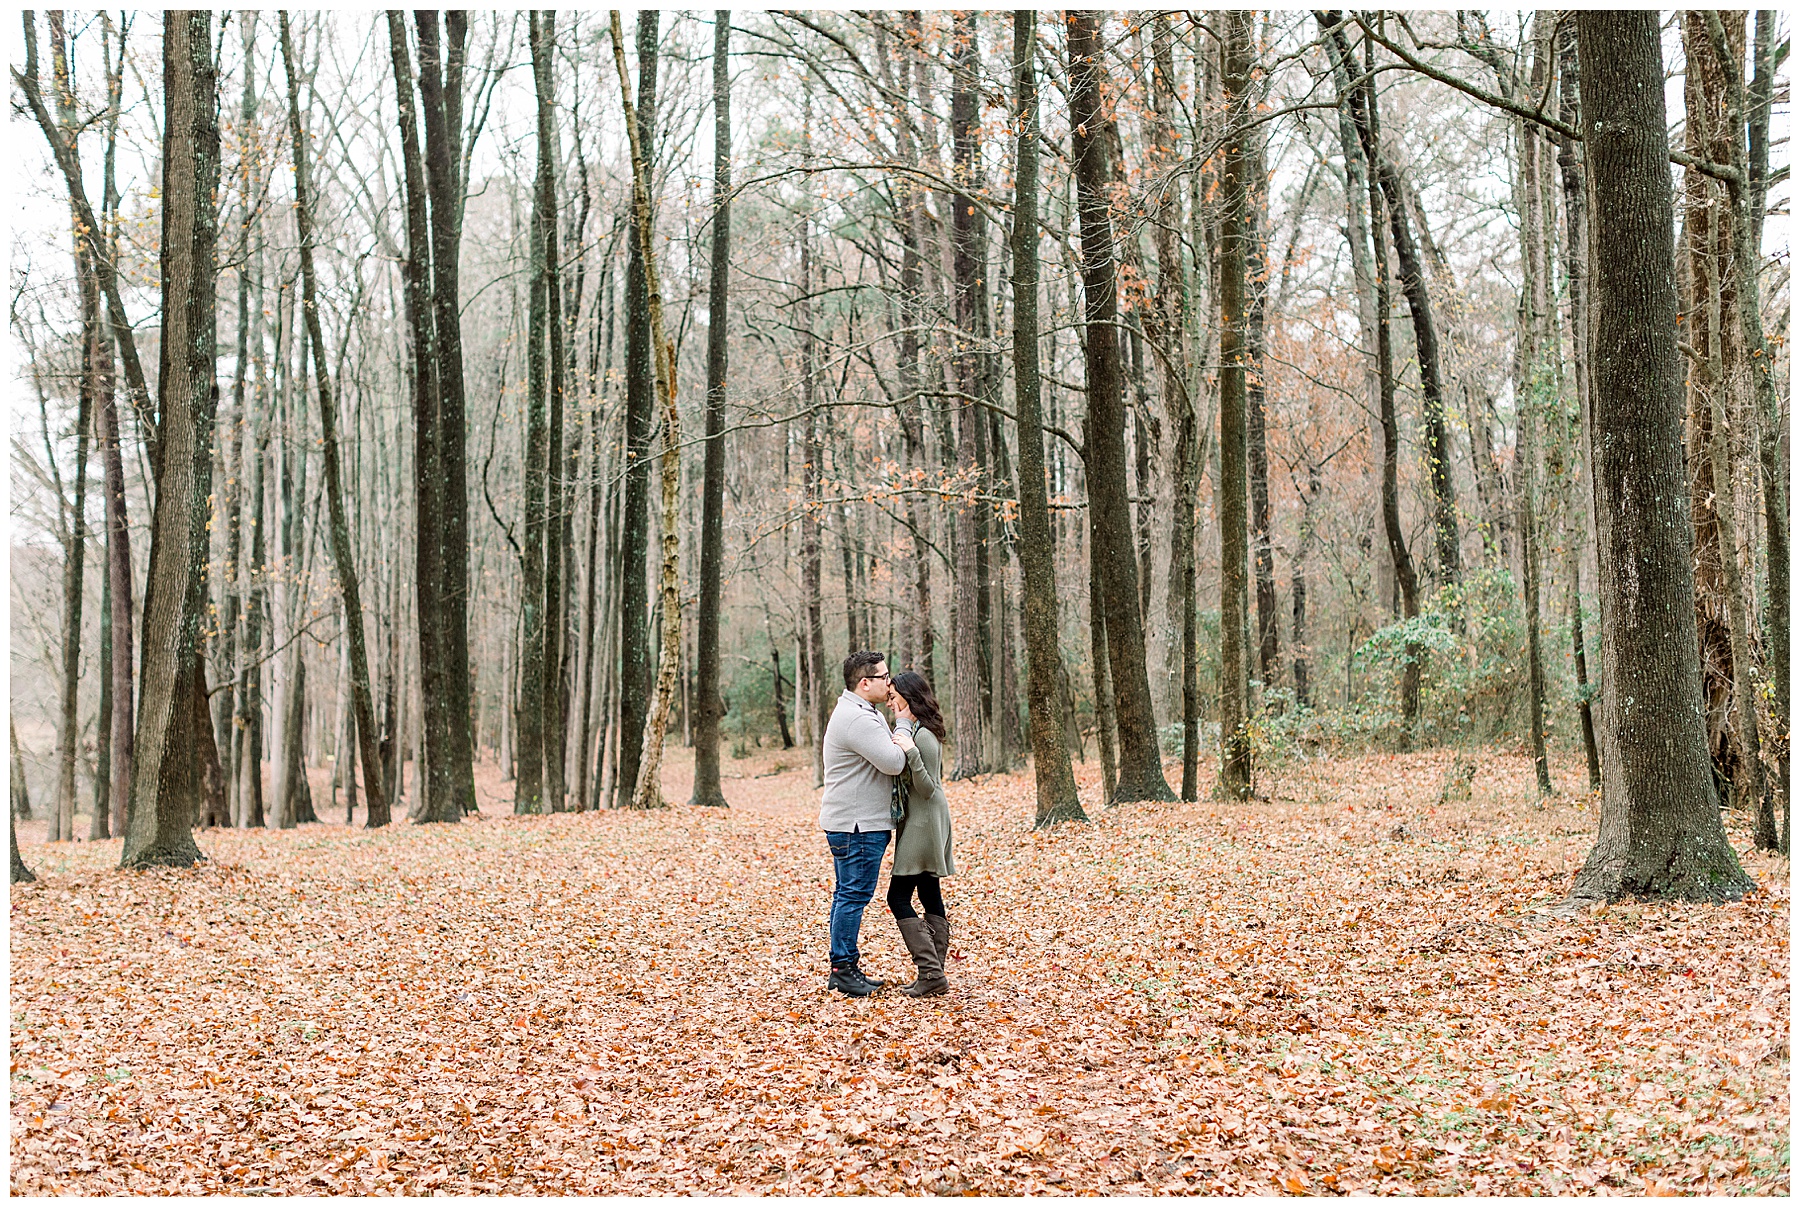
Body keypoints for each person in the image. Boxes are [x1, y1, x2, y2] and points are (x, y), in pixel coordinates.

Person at [819, 650, 906, 997]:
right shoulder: (857, 719)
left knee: (848, 894)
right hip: (857, 826)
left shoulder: (859, 712)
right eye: (884, 676)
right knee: (853, 896)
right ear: (864, 682)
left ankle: (846, 965)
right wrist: (902, 723)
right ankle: (842, 969)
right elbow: (893, 762)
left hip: (855, 822)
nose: (890, 681)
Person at [886, 670, 955, 998]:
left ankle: (930, 971)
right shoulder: (916, 729)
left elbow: (928, 787)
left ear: (908, 696)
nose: (890, 700)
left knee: (897, 897)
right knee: (929, 893)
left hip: (925, 820)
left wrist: (911, 750)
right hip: (922, 817)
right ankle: (934, 975)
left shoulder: (924, 735)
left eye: (894, 694)